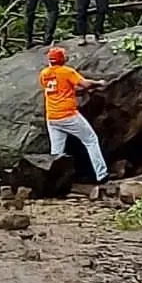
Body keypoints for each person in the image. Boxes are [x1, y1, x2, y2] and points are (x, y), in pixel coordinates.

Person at [39, 47, 109, 183]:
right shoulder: (67, 71)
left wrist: (74, 90)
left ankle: (53, 182)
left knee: (57, 152)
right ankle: (101, 174)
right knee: (91, 140)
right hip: (68, 115)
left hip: (52, 117)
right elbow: (84, 84)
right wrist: (98, 83)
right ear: (62, 59)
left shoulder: (44, 74)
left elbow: (59, 89)